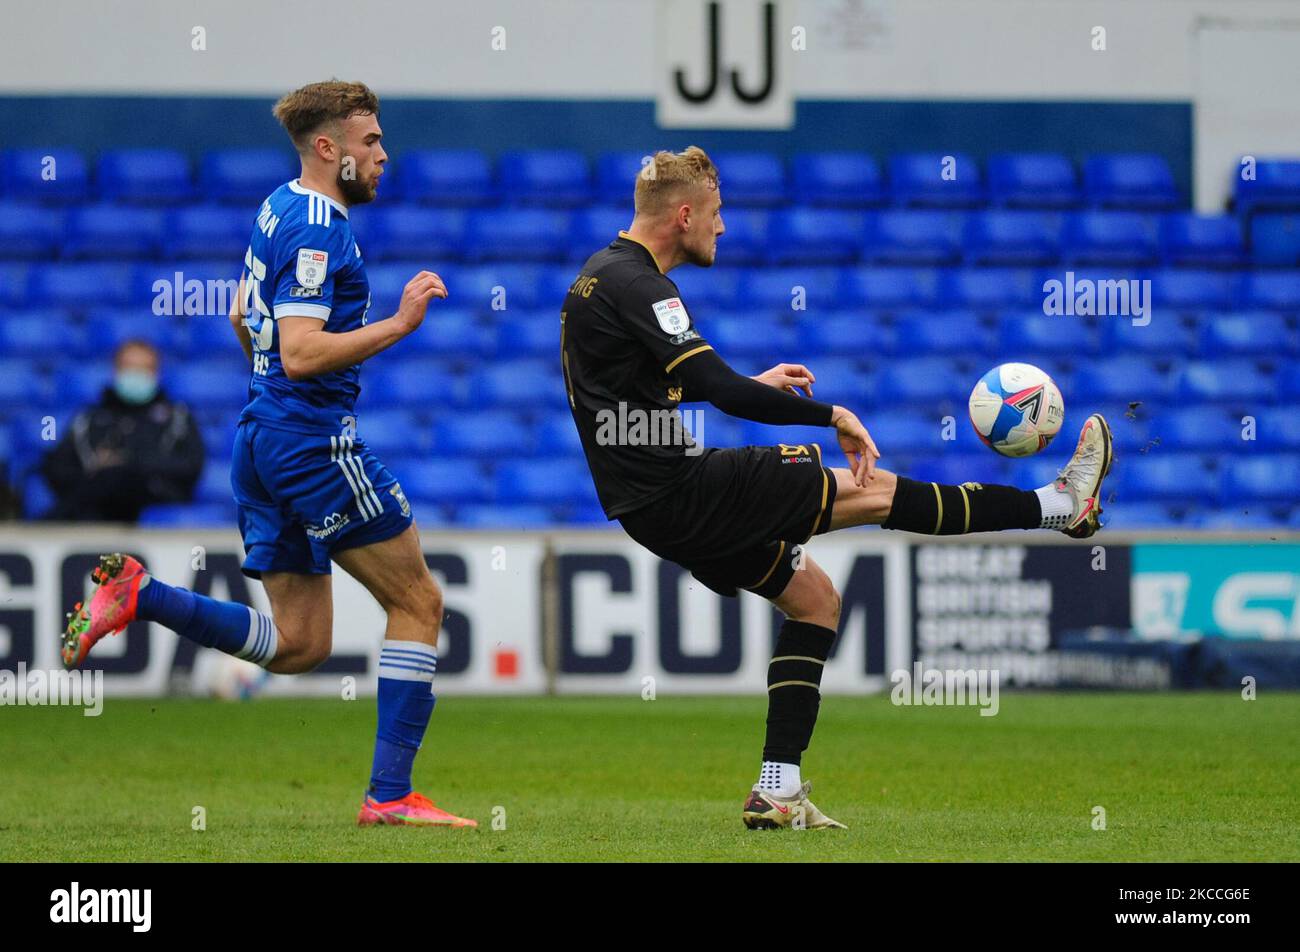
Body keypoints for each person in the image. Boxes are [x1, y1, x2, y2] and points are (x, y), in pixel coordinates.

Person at [561, 146, 1113, 830]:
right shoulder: (641, 286)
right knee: (876, 491)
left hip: (653, 508)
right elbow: (718, 390)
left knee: (815, 600)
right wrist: (832, 415)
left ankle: (777, 788)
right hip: (685, 490)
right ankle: (1059, 506)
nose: (722, 227)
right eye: (717, 213)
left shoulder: (598, 277)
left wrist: (744, 384)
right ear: (683, 214)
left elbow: (625, 400)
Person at [61, 80, 475, 829]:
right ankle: (389, 797)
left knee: (299, 645)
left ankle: (138, 595)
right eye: (370, 140)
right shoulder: (322, 227)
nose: (384, 154)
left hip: (261, 442)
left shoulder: (277, 205)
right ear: (329, 148)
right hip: (309, 441)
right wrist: (400, 324)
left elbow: (239, 317)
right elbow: (302, 351)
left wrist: (277, 389)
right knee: (419, 602)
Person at [41, 339, 204, 522]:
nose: (135, 375)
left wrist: (132, 464)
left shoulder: (177, 418)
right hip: (93, 512)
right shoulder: (88, 420)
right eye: (129, 368)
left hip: (156, 510)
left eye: (143, 369)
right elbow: (58, 469)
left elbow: (190, 467)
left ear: (156, 373)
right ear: (115, 371)